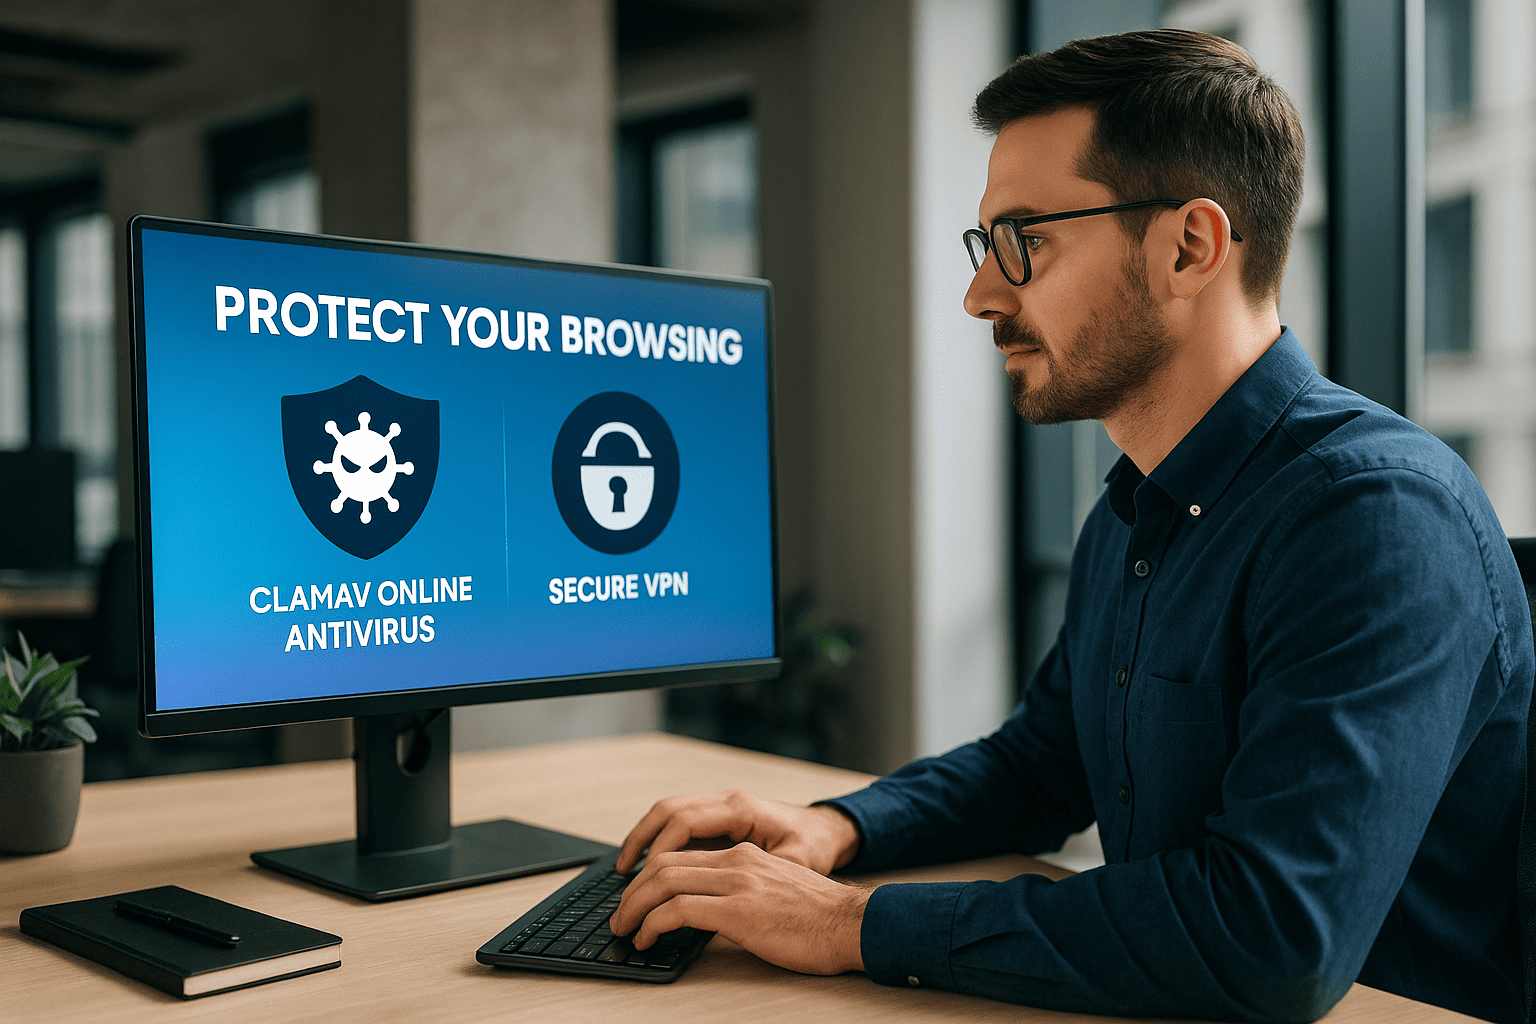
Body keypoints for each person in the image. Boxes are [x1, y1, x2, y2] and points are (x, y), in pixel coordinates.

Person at [607, 29, 1535, 1024]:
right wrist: (834, 826)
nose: (980, 294)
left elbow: (1272, 933)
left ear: (1189, 246)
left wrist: (850, 923)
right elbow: (1042, 764)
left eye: (1026, 242)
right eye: (987, 245)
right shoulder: (1139, 503)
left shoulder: (1375, 519)